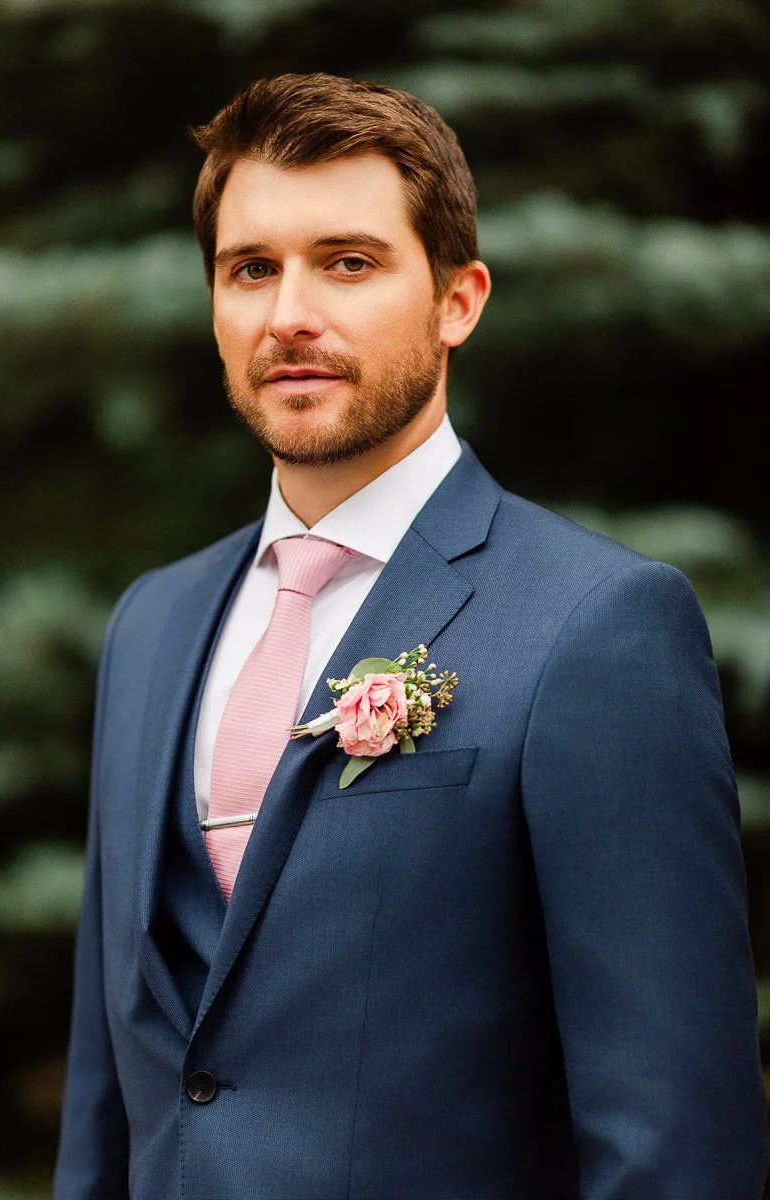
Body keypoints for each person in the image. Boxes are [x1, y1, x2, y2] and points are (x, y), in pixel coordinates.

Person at [54, 73, 768, 1200]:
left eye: (347, 261)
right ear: (213, 308)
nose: (289, 311)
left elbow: (672, 1136)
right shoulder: (152, 624)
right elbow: (110, 1091)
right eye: (251, 269)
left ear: (457, 300)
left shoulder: (596, 625)